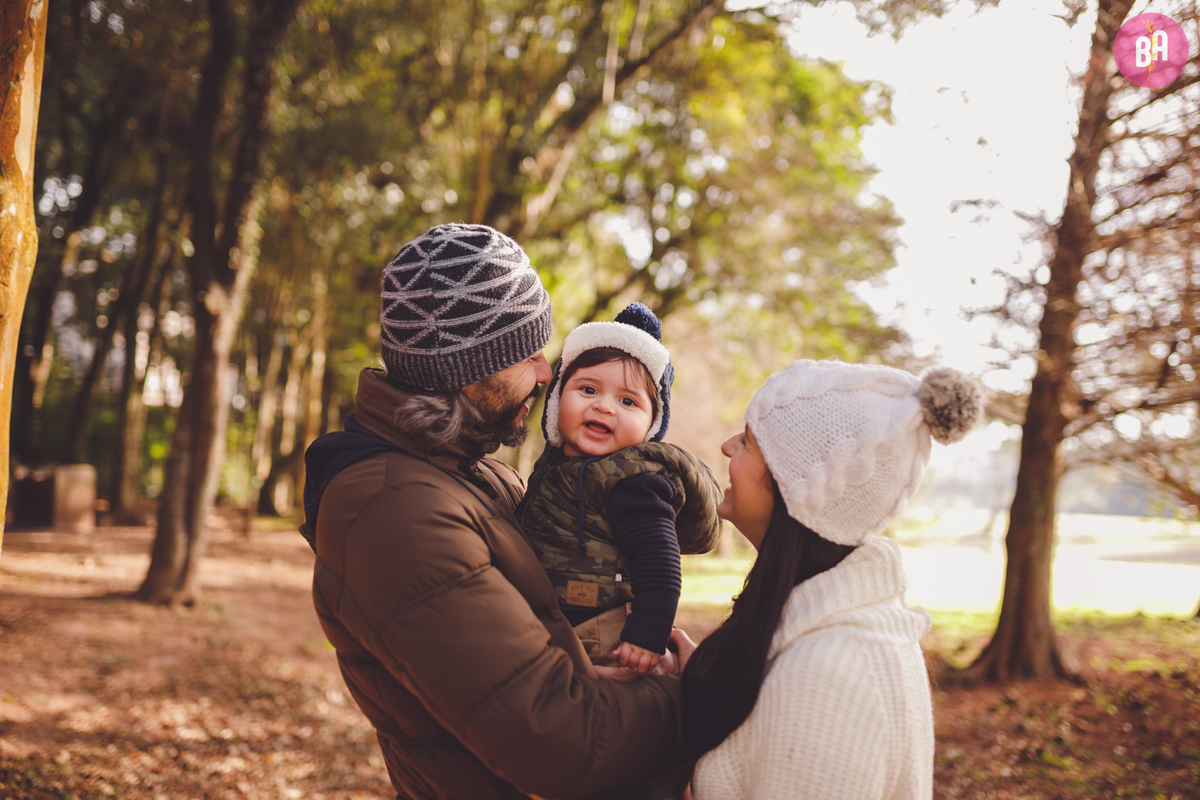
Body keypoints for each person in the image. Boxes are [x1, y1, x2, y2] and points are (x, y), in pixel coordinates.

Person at [300, 223, 681, 800]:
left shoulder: (474, 472)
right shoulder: (394, 511)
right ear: (466, 368)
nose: (546, 372)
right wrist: (689, 688)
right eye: (527, 353)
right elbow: (560, 743)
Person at [674, 359, 985, 799]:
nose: (727, 447)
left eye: (747, 441)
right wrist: (709, 678)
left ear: (791, 489)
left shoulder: (829, 679)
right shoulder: (818, 633)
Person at [517, 303, 722, 675]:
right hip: (553, 621)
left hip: (600, 632)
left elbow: (659, 561)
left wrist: (647, 632)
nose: (604, 406)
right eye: (588, 389)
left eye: (628, 401)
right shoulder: (556, 469)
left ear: (651, 425)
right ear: (557, 399)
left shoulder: (633, 484)